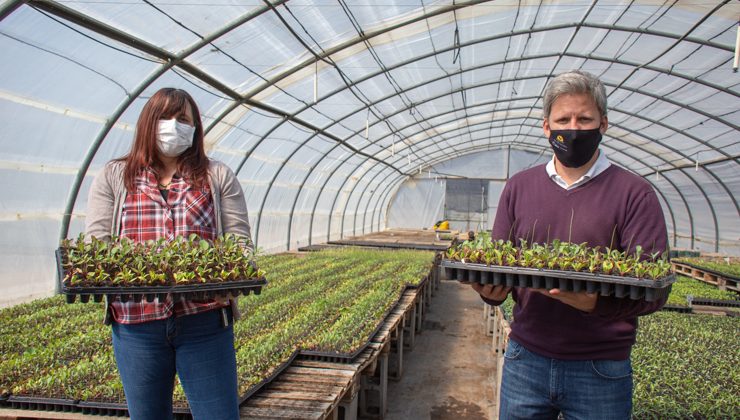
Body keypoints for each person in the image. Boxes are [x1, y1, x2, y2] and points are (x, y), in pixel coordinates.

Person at [472, 70, 668, 419]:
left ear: (603, 124)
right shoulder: (519, 187)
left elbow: (655, 290)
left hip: (600, 368)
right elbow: (498, 266)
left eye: (585, 119)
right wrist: (490, 291)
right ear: (546, 126)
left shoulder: (635, 193)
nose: (573, 128)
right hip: (525, 359)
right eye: (563, 119)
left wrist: (596, 302)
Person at [85, 88, 252, 420]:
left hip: (204, 322)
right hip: (136, 325)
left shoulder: (216, 176)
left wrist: (231, 277)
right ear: (148, 122)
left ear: (195, 128)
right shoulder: (115, 177)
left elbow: (241, 247)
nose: (174, 126)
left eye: (183, 119)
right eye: (165, 118)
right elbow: (96, 248)